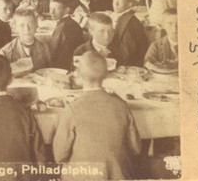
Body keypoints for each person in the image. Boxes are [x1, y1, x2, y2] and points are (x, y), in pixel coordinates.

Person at [53, 51, 143, 180]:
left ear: (78, 74)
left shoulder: (72, 109)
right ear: (107, 74)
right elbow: (137, 149)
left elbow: (59, 156)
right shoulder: (121, 105)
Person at [112, 0, 149, 67]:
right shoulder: (125, 17)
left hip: (132, 65)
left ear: (129, 4)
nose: (115, 4)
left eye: (119, 1)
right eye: (114, 0)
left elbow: (127, 52)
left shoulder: (128, 22)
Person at [48, 0, 86, 70]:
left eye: (57, 9)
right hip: (75, 65)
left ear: (66, 10)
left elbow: (51, 53)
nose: (52, 12)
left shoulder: (61, 28)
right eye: (50, 8)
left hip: (61, 67)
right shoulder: (74, 24)